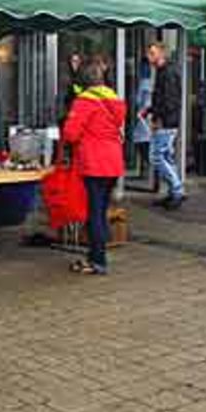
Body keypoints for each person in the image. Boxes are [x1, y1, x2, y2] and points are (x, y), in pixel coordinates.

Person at [63, 60, 126, 275]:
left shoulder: (85, 102)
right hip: (113, 161)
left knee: (95, 213)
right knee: (101, 209)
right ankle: (96, 255)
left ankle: (97, 260)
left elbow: (71, 133)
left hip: (94, 162)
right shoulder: (115, 99)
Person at [143, 42, 184, 209]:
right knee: (166, 156)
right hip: (168, 120)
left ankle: (177, 190)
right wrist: (151, 110)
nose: (149, 56)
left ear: (162, 53)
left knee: (156, 156)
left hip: (166, 121)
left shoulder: (167, 72)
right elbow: (164, 97)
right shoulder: (164, 71)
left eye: (152, 53)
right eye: (148, 53)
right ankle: (173, 192)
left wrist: (158, 119)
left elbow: (170, 100)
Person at [132, 57, 152, 178]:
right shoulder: (147, 82)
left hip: (145, 116)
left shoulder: (145, 83)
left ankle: (148, 169)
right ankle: (146, 170)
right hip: (145, 117)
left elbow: (140, 100)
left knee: (142, 141)